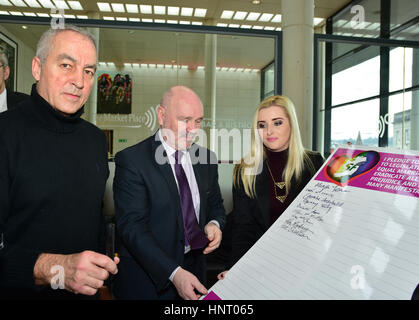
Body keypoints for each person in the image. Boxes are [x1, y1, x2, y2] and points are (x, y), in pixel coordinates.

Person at [0, 25, 119, 299]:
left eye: (88, 71)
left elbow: (90, 220)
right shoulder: (5, 135)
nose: (79, 80)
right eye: (67, 65)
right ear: (37, 68)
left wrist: (102, 263)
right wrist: (57, 269)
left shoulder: (96, 141)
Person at [112, 85, 226, 300]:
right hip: (147, 282)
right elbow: (132, 228)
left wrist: (215, 224)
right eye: (185, 119)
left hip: (195, 271)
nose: (193, 129)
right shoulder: (133, 160)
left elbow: (216, 207)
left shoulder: (207, 159)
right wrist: (173, 273)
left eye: (199, 121)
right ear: (161, 115)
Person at [217, 95, 324, 279]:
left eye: (277, 123)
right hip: (261, 262)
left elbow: (323, 221)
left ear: (291, 124)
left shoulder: (314, 163)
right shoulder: (245, 169)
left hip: (304, 261)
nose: (269, 131)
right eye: (262, 125)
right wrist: (234, 269)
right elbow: (243, 227)